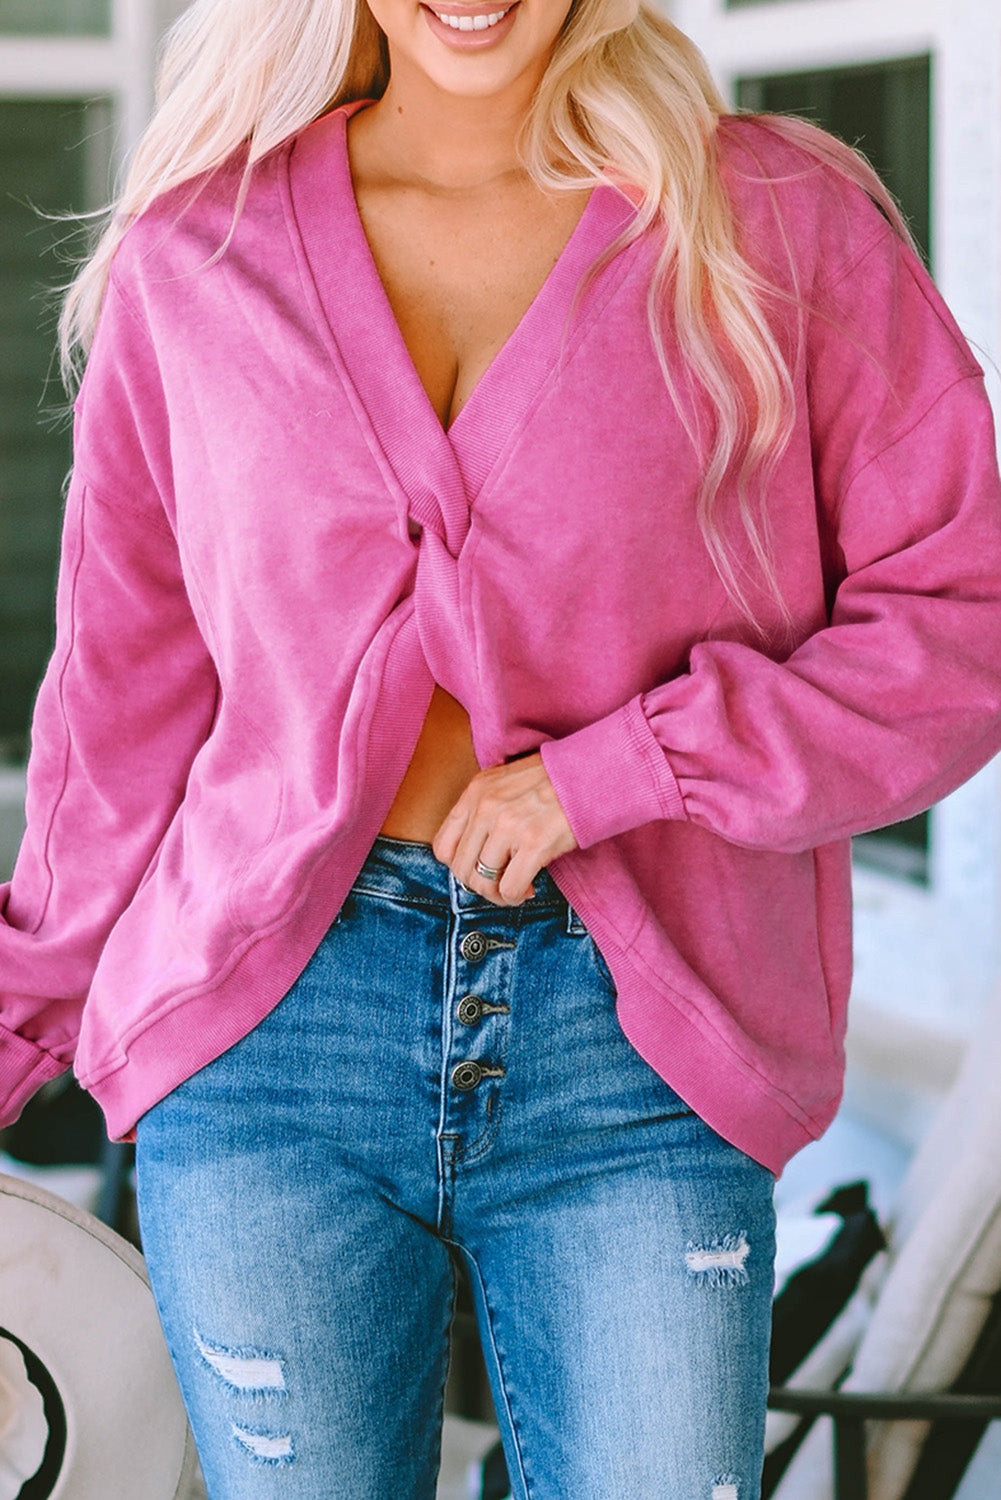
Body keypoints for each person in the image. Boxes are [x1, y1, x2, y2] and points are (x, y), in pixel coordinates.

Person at [2, 0, 1001, 1493]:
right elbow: (123, 703)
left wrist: (620, 770)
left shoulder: (774, 225)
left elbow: (956, 623)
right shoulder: (193, 261)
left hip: (639, 1041)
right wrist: (22, 1014)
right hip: (265, 1035)